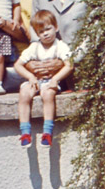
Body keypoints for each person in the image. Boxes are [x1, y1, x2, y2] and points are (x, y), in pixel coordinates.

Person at [14, 10, 73, 148]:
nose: (45, 34)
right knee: (24, 94)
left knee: (48, 94)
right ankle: (25, 132)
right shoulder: (34, 47)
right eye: (41, 31)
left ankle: (47, 132)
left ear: (56, 27)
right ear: (37, 33)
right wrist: (30, 76)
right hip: (36, 80)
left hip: (51, 80)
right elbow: (18, 65)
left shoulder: (60, 46)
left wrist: (56, 79)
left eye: (48, 29)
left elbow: (69, 65)